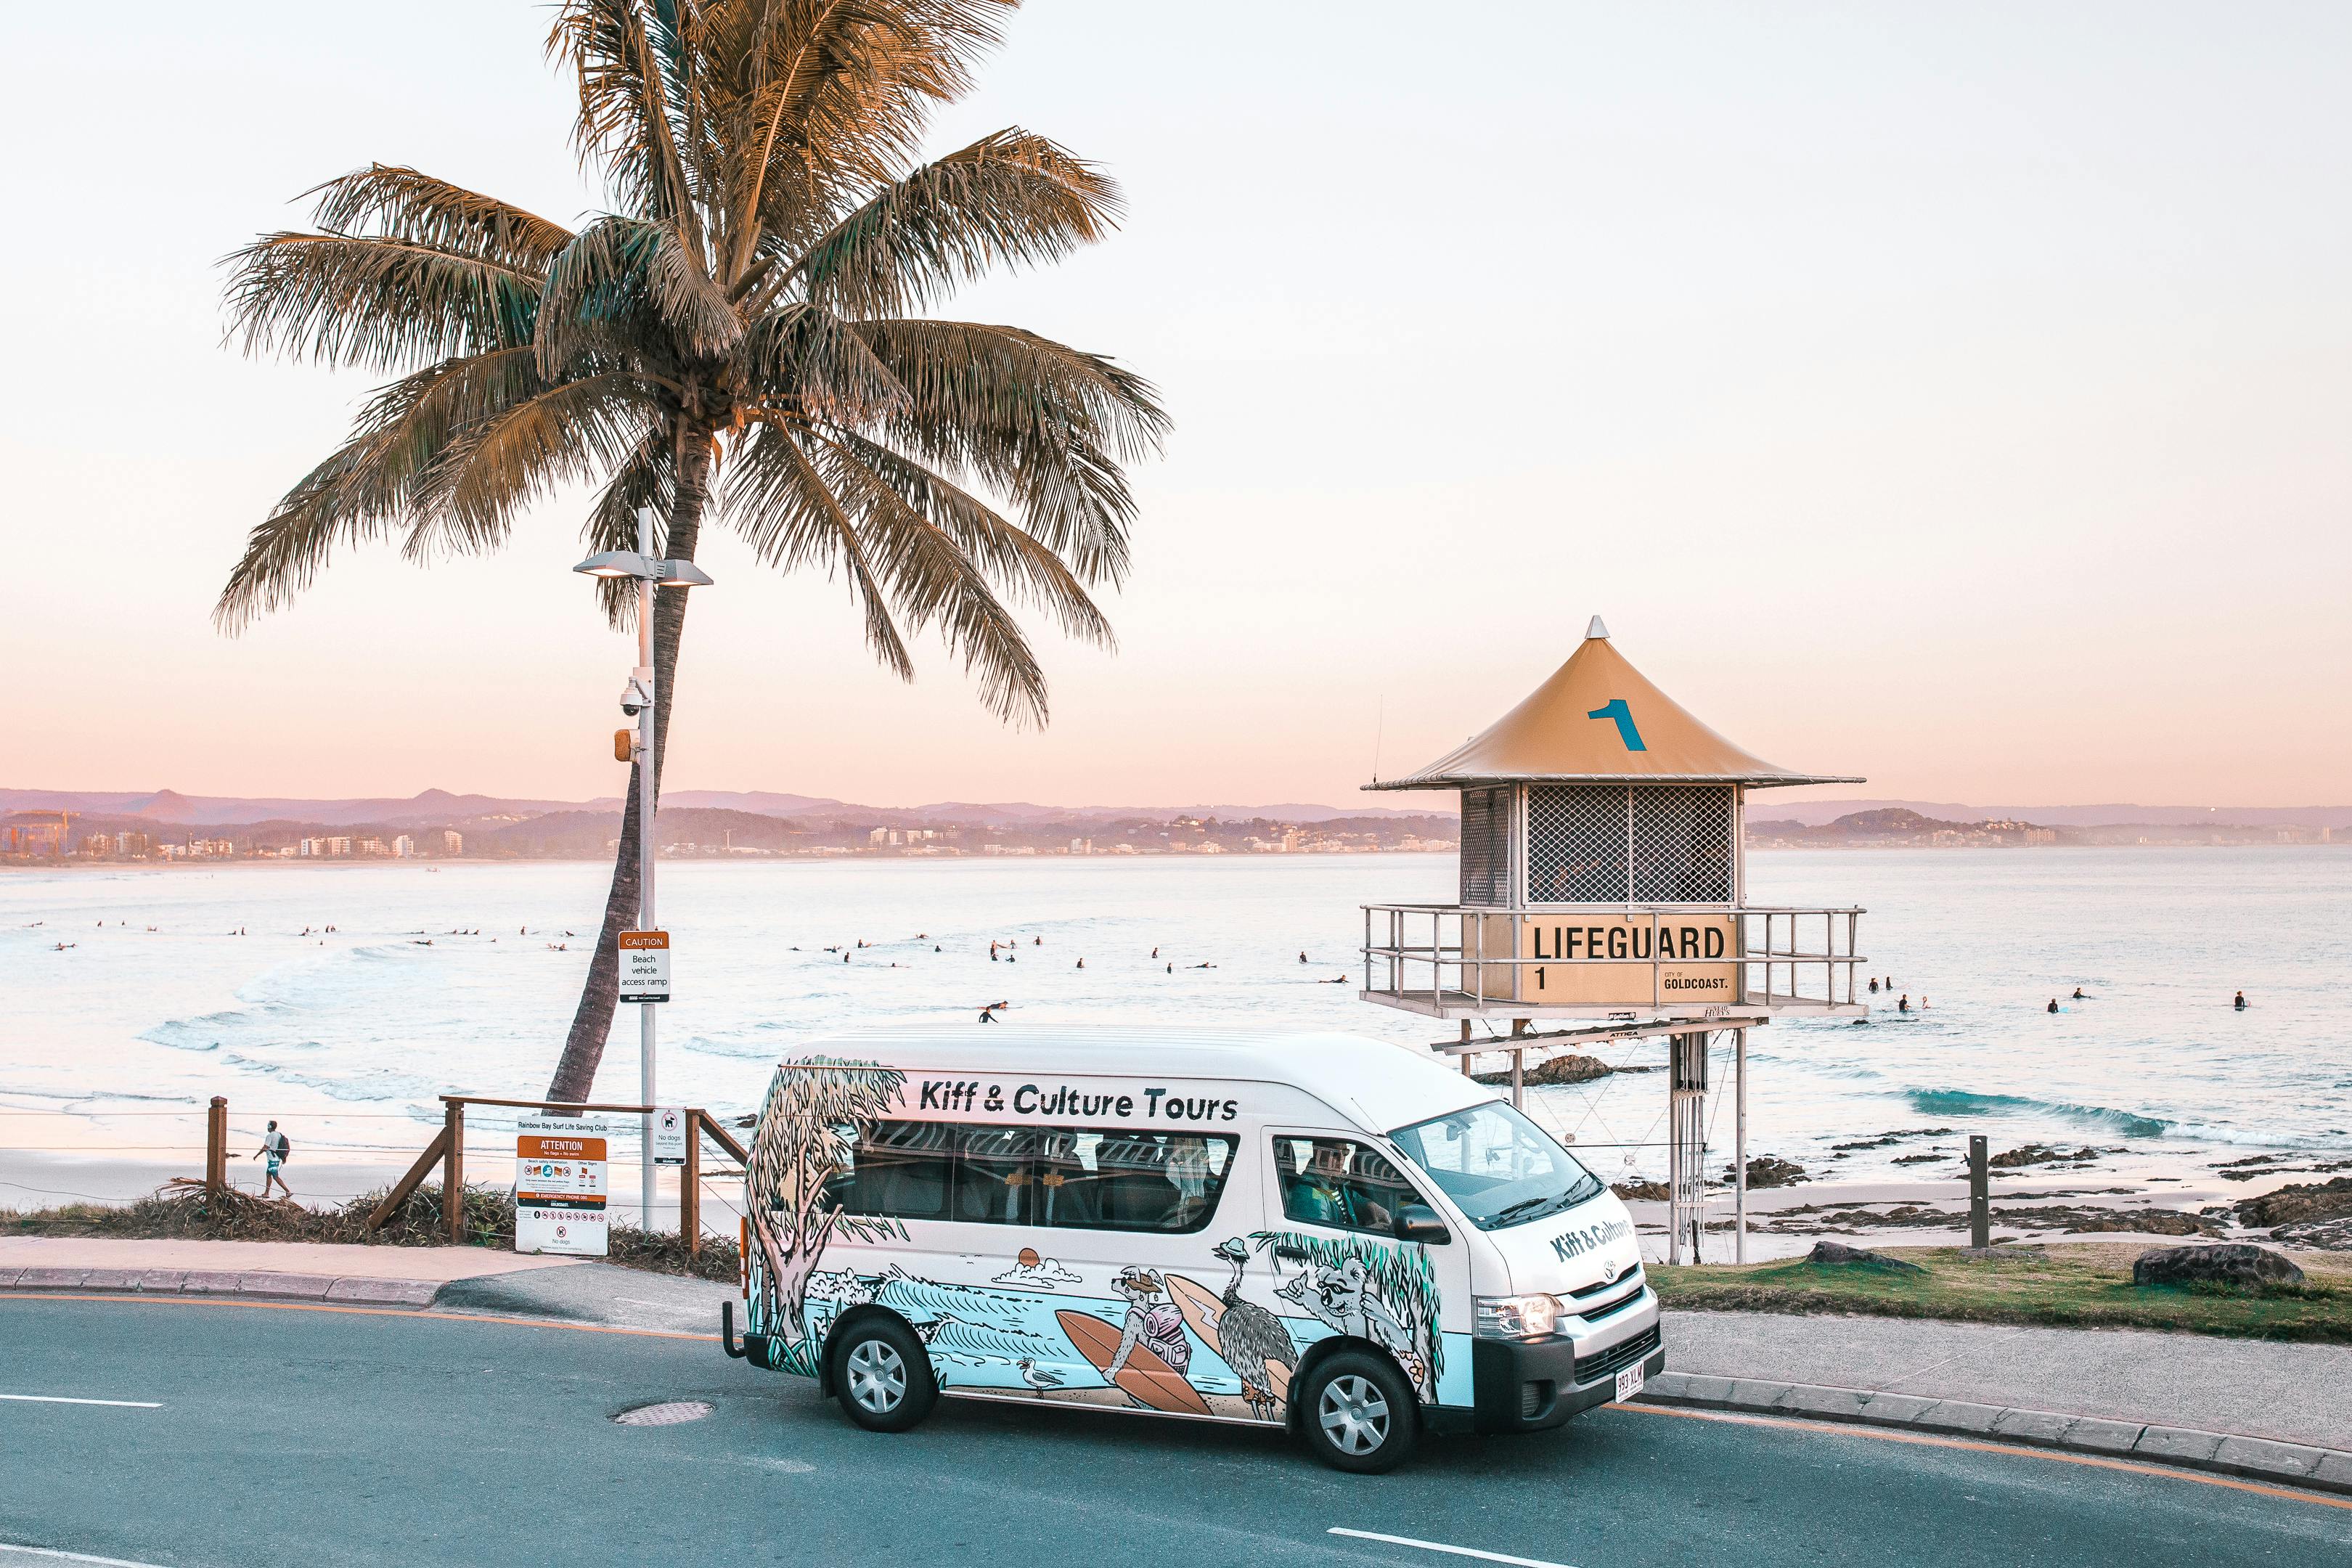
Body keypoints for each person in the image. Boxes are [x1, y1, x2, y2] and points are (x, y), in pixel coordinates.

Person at [252, 1120, 293, 1199]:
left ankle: (288, 1191)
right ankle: (266, 1193)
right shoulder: (279, 1134)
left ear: (270, 1127)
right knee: (268, 1174)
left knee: (275, 1177)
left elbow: (265, 1147)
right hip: (277, 1158)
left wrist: (257, 1155)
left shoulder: (269, 1136)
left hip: (272, 1160)